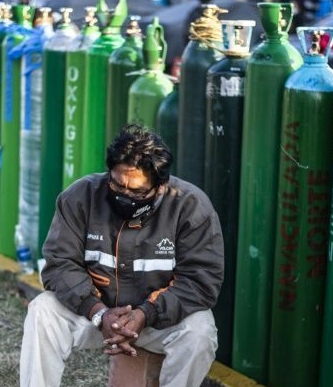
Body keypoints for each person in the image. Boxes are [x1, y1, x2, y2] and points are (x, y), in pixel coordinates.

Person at [19, 124, 224, 387]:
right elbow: (59, 265)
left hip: (156, 320)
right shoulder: (80, 197)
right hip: (95, 314)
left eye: (137, 192)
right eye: (117, 186)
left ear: (161, 186)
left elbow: (200, 281)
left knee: (200, 331)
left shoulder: (191, 207)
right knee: (43, 309)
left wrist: (145, 314)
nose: (125, 196)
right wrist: (98, 313)